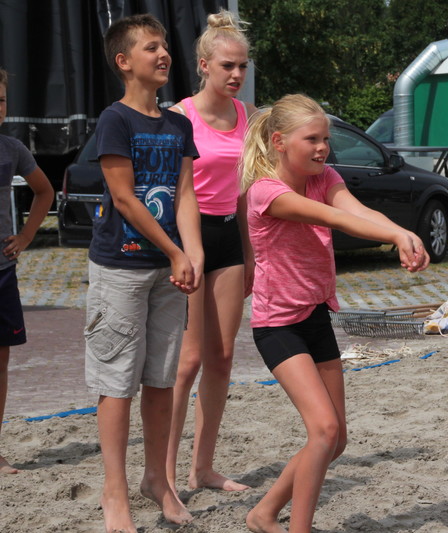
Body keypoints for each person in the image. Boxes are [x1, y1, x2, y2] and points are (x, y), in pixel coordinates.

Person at [240, 94, 429, 533]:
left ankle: (263, 513)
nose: (323, 147)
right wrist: (395, 238)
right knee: (323, 431)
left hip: (317, 316)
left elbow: (357, 210)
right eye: (312, 139)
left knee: (336, 440)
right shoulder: (266, 191)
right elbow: (336, 219)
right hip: (278, 325)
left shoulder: (324, 176)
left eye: (325, 138)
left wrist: (404, 233)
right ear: (280, 142)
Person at [85, 14, 203, 532]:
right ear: (124, 61)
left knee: (160, 380)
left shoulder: (178, 124)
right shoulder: (115, 120)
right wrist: (175, 252)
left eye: (164, 46)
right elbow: (125, 198)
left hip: (167, 272)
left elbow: (184, 194)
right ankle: (115, 492)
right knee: (117, 383)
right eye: (151, 47)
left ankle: (158, 479)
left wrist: (192, 254)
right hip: (121, 270)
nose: (163, 54)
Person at [166, 8, 258, 495]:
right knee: (187, 361)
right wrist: (179, 251)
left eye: (242, 66)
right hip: (189, 236)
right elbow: (170, 191)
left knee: (222, 358)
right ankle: (162, 472)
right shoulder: (179, 115)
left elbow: (244, 193)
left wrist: (251, 254)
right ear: (204, 65)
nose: (236, 74)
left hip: (227, 238)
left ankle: (202, 468)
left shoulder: (247, 115)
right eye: (227, 66)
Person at [0, 67, 55, 475]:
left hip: (2, 271)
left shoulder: (12, 149)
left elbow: (44, 191)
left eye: (1, 100)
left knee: (0, 361)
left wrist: (26, 235)